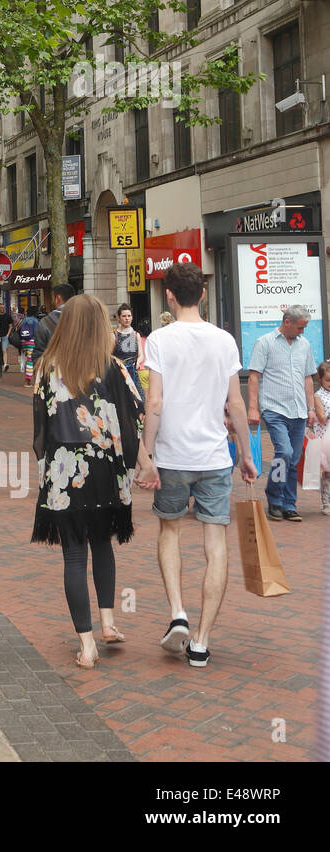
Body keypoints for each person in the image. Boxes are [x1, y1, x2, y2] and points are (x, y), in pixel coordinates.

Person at [138, 262, 257, 669]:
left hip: (171, 456)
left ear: (169, 295)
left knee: (169, 530)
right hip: (213, 457)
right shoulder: (224, 340)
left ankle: (178, 613)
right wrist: (245, 453)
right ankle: (202, 642)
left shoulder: (159, 340)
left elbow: (154, 402)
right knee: (216, 543)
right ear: (203, 294)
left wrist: (147, 453)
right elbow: (236, 403)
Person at [31, 294, 143, 669]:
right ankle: (108, 623)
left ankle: (87, 644)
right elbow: (134, 420)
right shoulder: (113, 367)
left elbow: (40, 428)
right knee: (103, 544)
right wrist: (137, 462)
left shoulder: (47, 366)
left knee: (74, 555)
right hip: (106, 469)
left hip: (65, 471)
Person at [245, 305, 317, 523]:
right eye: (300, 327)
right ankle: (274, 498)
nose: (303, 332)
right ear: (287, 322)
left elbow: (307, 378)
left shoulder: (304, 345)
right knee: (284, 453)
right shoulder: (265, 342)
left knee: (293, 459)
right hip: (275, 408)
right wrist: (253, 407)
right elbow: (254, 376)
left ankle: (289, 504)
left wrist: (311, 407)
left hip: (299, 411)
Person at [32, 283, 73, 363]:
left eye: (52, 298)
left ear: (58, 298)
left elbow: (38, 354)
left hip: (55, 371)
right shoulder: (85, 319)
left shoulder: (45, 323)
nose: (52, 301)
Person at [310, 360, 330, 516]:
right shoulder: (318, 396)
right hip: (325, 440)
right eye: (328, 380)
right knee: (327, 474)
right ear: (320, 379)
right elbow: (322, 418)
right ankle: (326, 503)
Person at [112, 303, 145, 385]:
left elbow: (141, 355)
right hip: (119, 376)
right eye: (124, 316)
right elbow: (108, 356)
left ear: (132, 317)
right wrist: (119, 364)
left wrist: (137, 362)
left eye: (129, 316)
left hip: (134, 375)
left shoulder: (136, 334)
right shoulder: (114, 335)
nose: (127, 318)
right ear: (119, 318)